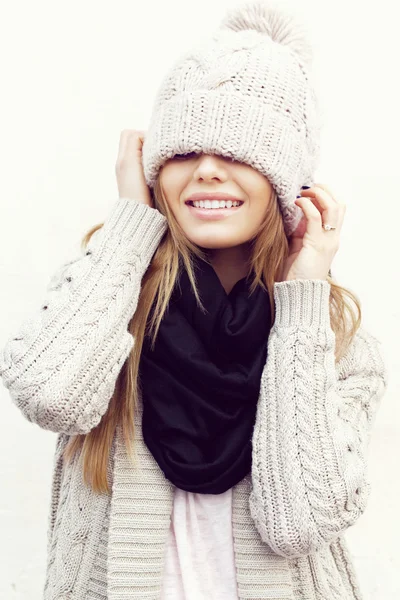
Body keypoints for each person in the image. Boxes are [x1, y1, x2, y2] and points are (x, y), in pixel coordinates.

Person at [0, 1, 388, 599]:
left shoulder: (333, 336)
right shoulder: (110, 293)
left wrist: (303, 294)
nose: (207, 170)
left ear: (286, 181)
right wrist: (132, 221)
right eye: (183, 151)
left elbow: (301, 521)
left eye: (237, 152)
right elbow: (50, 397)